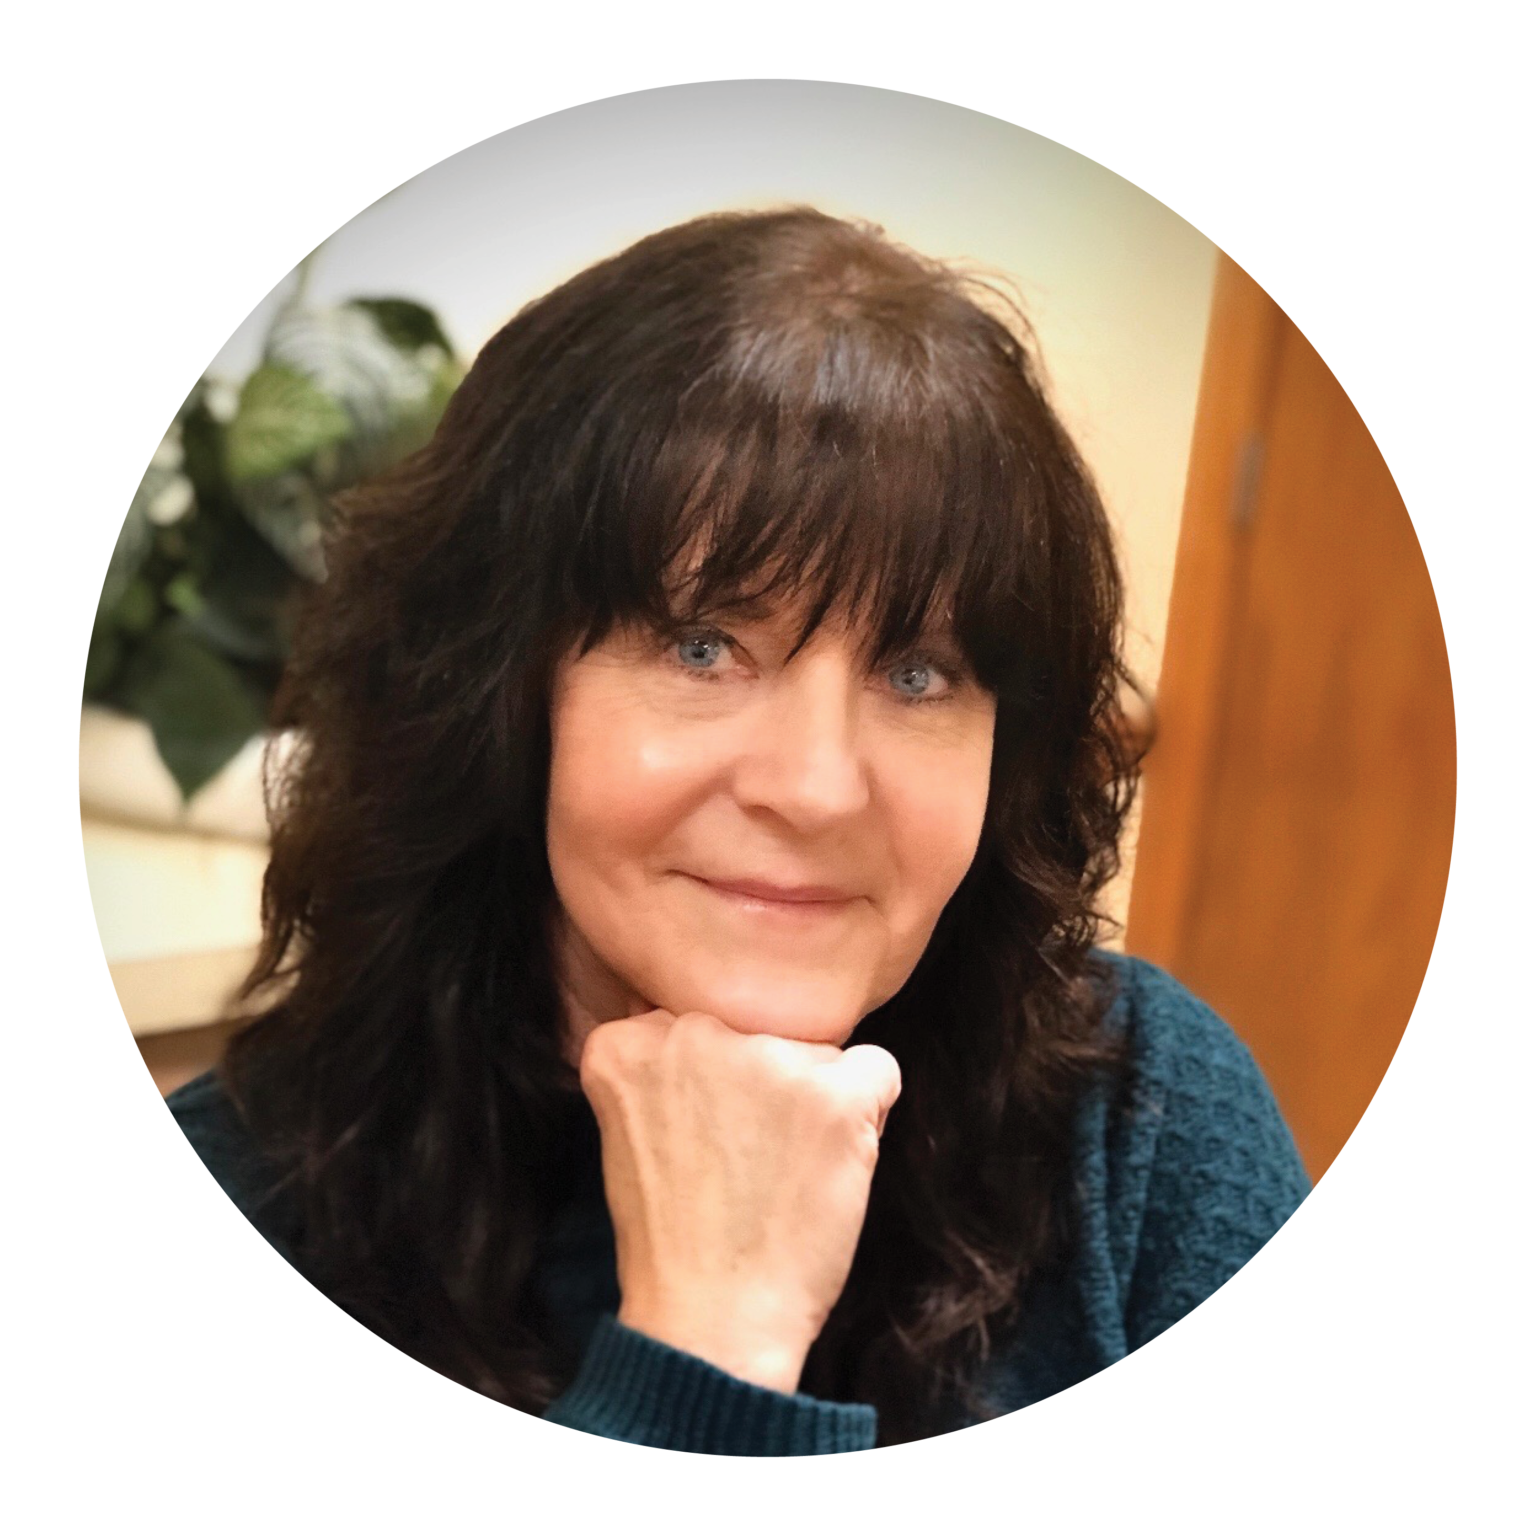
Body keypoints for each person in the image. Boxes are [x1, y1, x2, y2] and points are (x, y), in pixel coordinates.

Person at [164, 206, 1312, 1454]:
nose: (815, 789)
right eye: (703, 647)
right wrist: (711, 1342)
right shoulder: (254, 1186)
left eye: (918, 672)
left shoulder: (1145, 1124)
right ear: (495, 694)